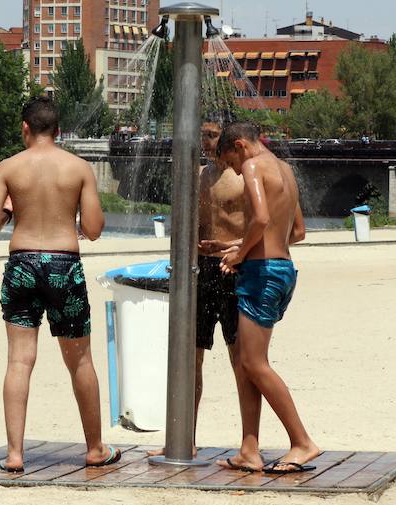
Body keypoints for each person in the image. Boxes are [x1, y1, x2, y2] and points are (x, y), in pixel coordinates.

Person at [0, 96, 120, 473]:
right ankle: (94, 448)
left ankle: (14, 454)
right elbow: (92, 229)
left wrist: (11, 208)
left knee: (19, 360)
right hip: (63, 263)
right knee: (80, 361)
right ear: (58, 131)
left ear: (25, 128)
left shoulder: (8, 168)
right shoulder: (79, 168)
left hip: (22, 263)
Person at [214, 121, 319, 474]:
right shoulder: (285, 170)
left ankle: (302, 442)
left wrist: (242, 254)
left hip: (263, 275)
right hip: (282, 269)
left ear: (239, 146)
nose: (235, 171)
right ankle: (249, 449)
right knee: (247, 362)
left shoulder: (254, 165)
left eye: (230, 162)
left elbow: (259, 218)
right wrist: (244, 247)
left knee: (255, 364)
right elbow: (298, 232)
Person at [148, 117, 246, 458]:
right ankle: (184, 438)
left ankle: (250, 442)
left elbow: (259, 227)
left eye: (212, 135)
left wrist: (234, 247)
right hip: (201, 270)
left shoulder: (242, 177)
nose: (205, 141)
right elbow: (186, 224)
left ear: (227, 138)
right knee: (192, 358)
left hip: (234, 267)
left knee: (241, 358)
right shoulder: (198, 177)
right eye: (201, 135)